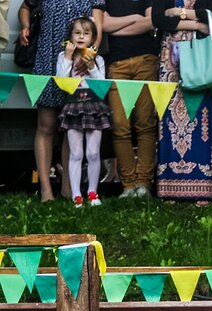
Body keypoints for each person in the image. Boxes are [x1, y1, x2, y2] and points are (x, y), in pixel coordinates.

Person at [20, 0, 105, 203]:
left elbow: (98, 28)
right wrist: (25, 26)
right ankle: (46, 190)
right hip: (48, 59)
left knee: (71, 127)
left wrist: (89, 56)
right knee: (46, 125)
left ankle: (69, 189)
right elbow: (25, 8)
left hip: (79, 62)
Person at [151, 0, 212, 201]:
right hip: (170, 61)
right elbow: (158, 18)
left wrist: (178, 12)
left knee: (203, 121)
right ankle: (170, 188)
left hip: (202, 61)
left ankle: (205, 188)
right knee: (169, 120)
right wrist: (196, 23)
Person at [104, 0, 159, 198]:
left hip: (146, 60)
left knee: (145, 124)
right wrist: (135, 19)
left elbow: (151, 22)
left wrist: (116, 28)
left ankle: (143, 183)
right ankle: (128, 184)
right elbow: (104, 25)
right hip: (116, 63)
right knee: (120, 125)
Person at [57, 17, 112, 208]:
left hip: (94, 107)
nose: (81, 37)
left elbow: (101, 87)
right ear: (71, 36)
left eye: (86, 33)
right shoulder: (64, 56)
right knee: (76, 153)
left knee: (93, 152)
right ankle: (76, 196)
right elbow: (62, 82)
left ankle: (93, 193)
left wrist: (91, 67)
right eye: (77, 33)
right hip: (73, 106)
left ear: (93, 38)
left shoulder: (99, 60)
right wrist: (67, 57)